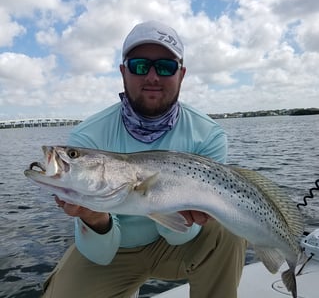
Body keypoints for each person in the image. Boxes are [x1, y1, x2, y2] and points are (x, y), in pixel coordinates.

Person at [43, 20, 247, 298]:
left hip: (179, 246)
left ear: (182, 74)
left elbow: (178, 233)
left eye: (166, 67)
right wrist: (94, 217)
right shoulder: (88, 135)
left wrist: (183, 218)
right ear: (123, 72)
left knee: (227, 226)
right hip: (114, 253)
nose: (152, 77)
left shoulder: (208, 135)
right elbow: (100, 253)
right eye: (140, 66)